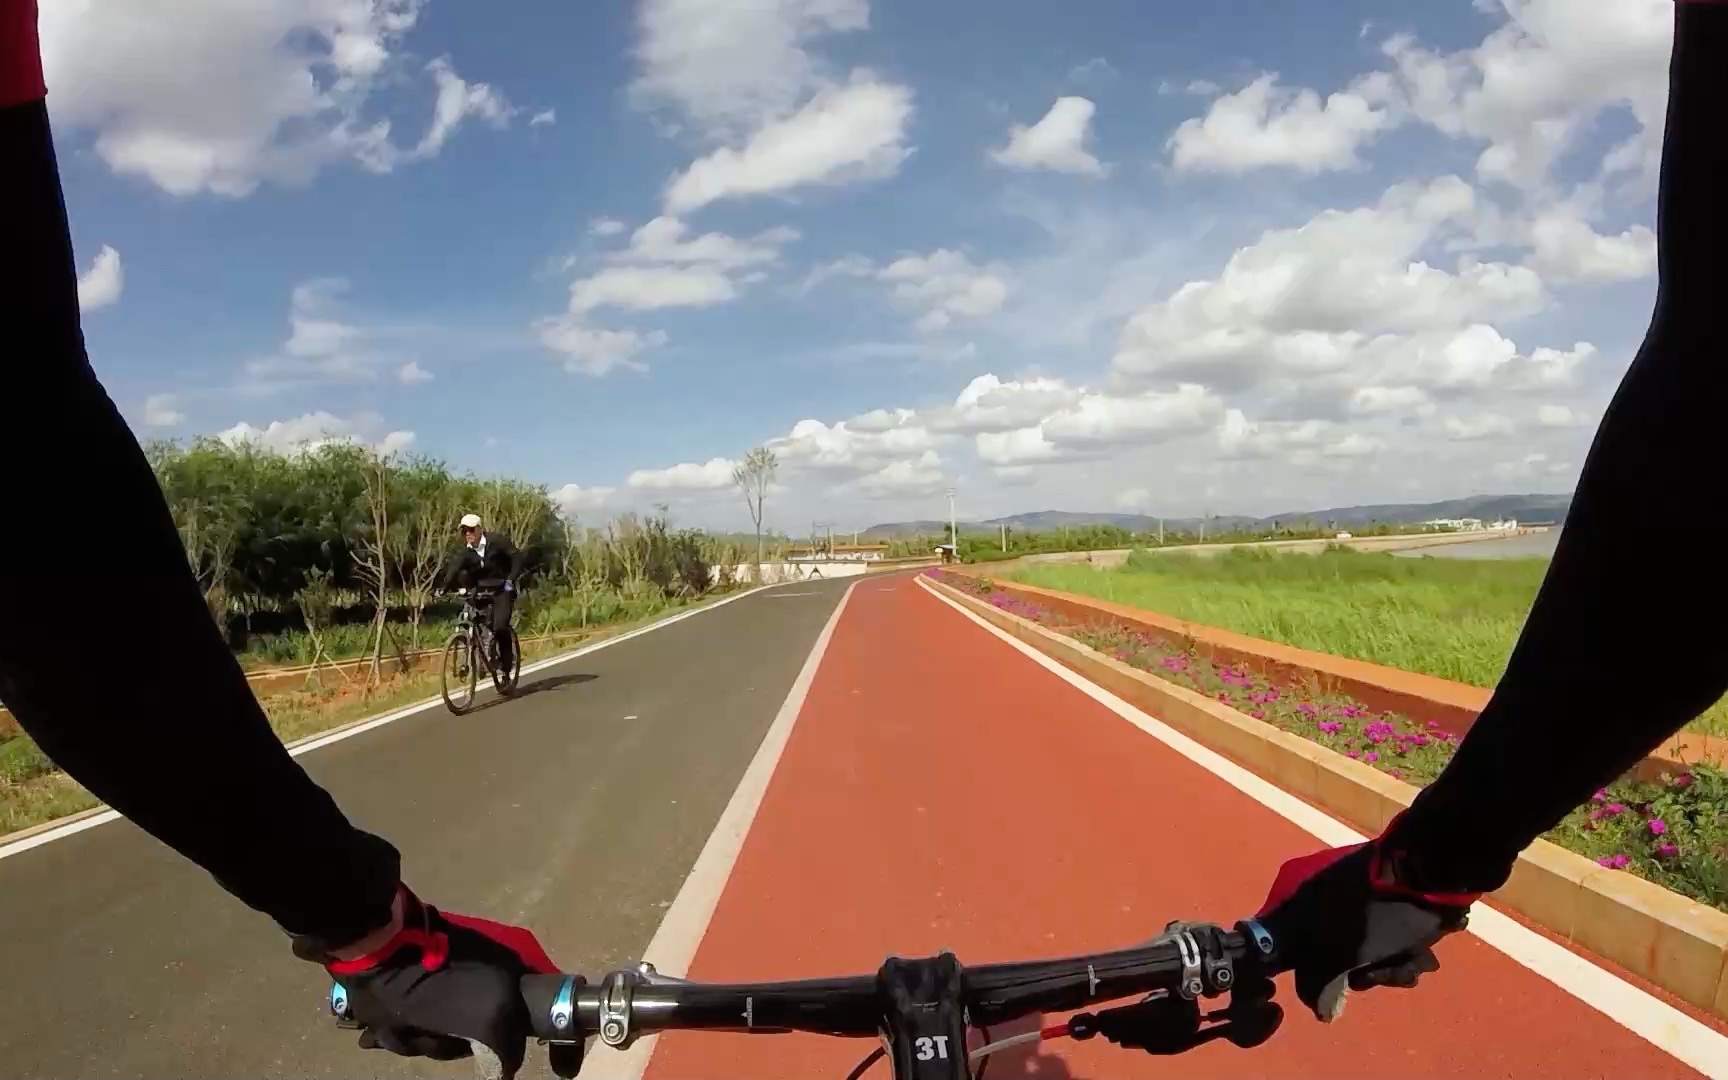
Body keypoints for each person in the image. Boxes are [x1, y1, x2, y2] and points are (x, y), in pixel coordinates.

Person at [0, 0, 1721, 1076]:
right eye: (468, 544)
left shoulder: (487, 543)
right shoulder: (452, 539)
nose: (468, 546)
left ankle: (495, 650)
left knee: (504, 610)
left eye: (470, 545)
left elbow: (42, 539)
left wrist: (360, 919)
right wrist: (1438, 855)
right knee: (487, 608)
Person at [440, 512, 526, 675]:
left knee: (500, 626)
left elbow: (517, 557)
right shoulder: (466, 551)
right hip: (481, 589)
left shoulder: (497, 541)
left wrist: (511, 580)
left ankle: (506, 665)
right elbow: (454, 568)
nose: (468, 534)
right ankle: (480, 655)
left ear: (480, 529)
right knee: (478, 619)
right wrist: (442, 588)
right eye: (464, 531)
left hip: (502, 588)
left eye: (471, 530)